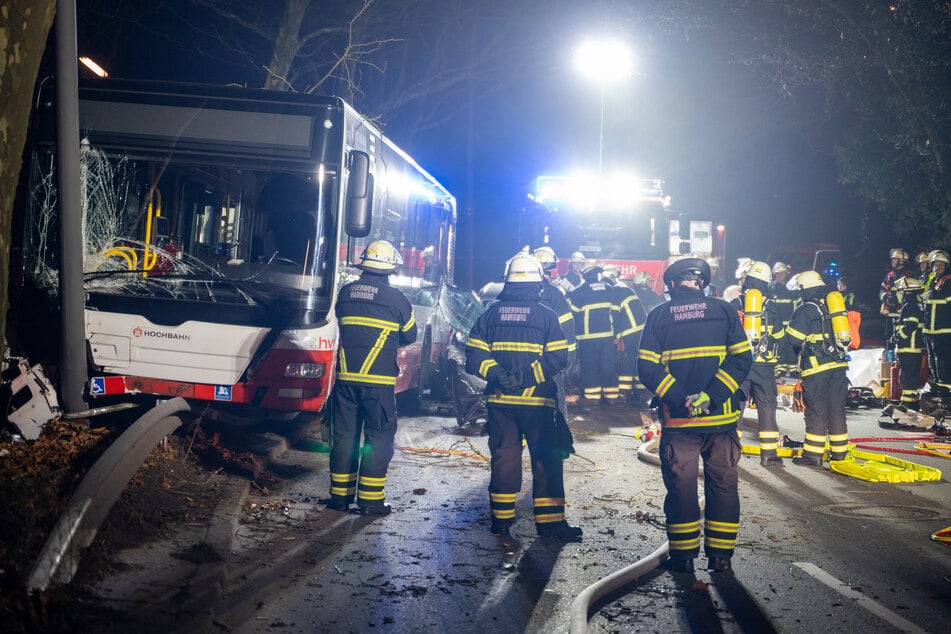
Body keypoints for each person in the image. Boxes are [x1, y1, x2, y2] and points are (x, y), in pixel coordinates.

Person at [637, 258, 752, 573]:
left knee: (682, 488)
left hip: (680, 423)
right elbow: (742, 360)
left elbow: (646, 367)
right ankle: (721, 558)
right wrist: (711, 397)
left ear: (672, 284)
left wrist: (679, 399)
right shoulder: (725, 310)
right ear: (701, 282)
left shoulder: (658, 316)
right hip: (721, 422)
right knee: (724, 486)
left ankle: (684, 558)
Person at [465, 254, 581, 541]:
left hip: (501, 403)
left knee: (504, 457)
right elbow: (558, 358)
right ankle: (550, 525)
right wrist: (526, 377)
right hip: (538, 403)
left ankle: (501, 521)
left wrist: (498, 375)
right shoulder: (546, 315)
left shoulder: (490, 314)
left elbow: (474, 354)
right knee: (546, 459)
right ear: (538, 283)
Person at [327, 240, 417, 514]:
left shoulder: (345, 292)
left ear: (363, 264)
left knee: (344, 438)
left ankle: (339, 499)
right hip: (378, 384)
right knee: (378, 439)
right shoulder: (397, 299)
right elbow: (410, 335)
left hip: (345, 381)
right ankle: (370, 501)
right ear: (390, 269)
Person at [785, 270, 850, 467]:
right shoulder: (831, 306)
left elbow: (793, 338)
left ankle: (812, 456)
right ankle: (839, 454)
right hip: (839, 367)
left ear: (804, 289)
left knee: (816, 410)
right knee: (837, 410)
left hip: (817, 369)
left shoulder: (806, 309)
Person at [740, 261, 785, 466]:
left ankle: (731, 452)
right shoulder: (772, 307)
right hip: (764, 366)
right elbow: (778, 336)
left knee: (736, 408)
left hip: (739, 365)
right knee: (767, 408)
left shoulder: (737, 303)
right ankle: (769, 454)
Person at [533, 246, 577, 417]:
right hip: (550, 360)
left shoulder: (515, 294)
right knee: (555, 400)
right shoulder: (555, 295)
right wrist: (570, 357)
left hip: (520, 361)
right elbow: (567, 328)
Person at [568, 262, 620, 404]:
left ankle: (593, 398)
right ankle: (611, 397)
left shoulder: (579, 291)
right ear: (598, 273)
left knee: (590, 366)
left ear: (584, 276)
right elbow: (616, 312)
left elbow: (573, 315)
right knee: (608, 365)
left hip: (587, 338)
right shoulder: (609, 289)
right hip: (608, 336)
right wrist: (616, 334)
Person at [603, 264, 648, 403]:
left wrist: (615, 336)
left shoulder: (615, 291)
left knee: (627, 360)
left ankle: (625, 392)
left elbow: (614, 315)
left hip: (630, 331)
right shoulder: (625, 289)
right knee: (637, 359)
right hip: (641, 330)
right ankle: (640, 390)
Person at [892, 276, 925, 409]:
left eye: (901, 291)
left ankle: (908, 404)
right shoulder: (914, 305)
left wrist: (899, 337)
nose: (900, 294)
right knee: (910, 376)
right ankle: (911, 402)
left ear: (908, 292)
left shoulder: (909, 306)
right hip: (911, 349)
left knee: (907, 377)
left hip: (908, 348)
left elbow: (910, 326)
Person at [922, 250, 951, 394]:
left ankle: (946, 390)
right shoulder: (933, 282)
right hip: (930, 331)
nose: (937, 268)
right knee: (932, 360)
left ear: (945, 267)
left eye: (940, 265)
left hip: (944, 331)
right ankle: (939, 385)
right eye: (935, 265)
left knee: (944, 361)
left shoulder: (948, 282)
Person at [769, 262, 798, 376]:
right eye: (779, 273)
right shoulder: (771, 289)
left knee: (790, 347)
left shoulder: (790, 290)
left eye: (784, 273)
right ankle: (778, 369)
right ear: (775, 275)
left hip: (789, 325)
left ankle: (792, 369)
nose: (782, 275)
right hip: (777, 325)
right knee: (778, 347)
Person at [880, 248, 911, 346]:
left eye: (895, 259)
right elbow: (882, 289)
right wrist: (885, 298)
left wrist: (894, 299)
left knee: (899, 337)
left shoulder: (908, 276)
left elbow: (909, 294)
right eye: (892, 259)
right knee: (888, 336)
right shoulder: (889, 275)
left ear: (902, 261)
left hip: (902, 314)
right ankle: (889, 355)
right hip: (890, 313)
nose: (892, 261)